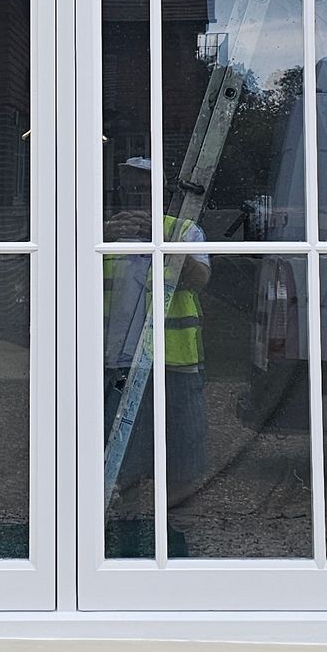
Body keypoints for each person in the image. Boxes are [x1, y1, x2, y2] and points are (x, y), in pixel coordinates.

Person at [102, 156, 209, 557]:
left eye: (146, 187)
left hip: (175, 363)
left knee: (182, 453)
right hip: (118, 363)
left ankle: (175, 537)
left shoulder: (184, 230)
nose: (138, 194)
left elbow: (201, 280)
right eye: (131, 187)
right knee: (122, 456)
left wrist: (162, 244)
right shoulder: (107, 233)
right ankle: (128, 533)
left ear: (162, 193)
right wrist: (103, 237)